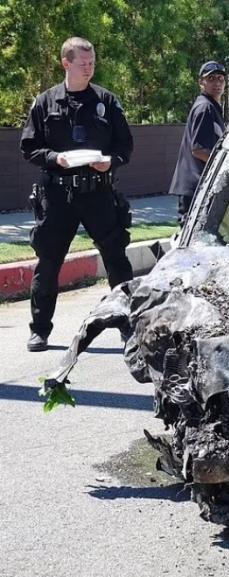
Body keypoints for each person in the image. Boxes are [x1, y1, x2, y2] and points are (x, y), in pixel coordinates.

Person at [20, 37, 134, 352]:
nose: (89, 68)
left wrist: (111, 161)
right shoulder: (45, 102)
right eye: (83, 63)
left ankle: (129, 326)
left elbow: (125, 146)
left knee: (116, 259)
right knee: (48, 262)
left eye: (92, 62)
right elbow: (29, 147)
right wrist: (54, 158)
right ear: (66, 63)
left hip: (98, 192)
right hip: (58, 196)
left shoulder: (106, 101)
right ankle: (39, 330)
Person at [169, 61, 227, 225]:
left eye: (220, 79)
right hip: (195, 188)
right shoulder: (205, 108)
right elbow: (199, 150)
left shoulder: (212, 107)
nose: (217, 83)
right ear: (201, 82)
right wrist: (225, 165)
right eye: (211, 79)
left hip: (199, 186)